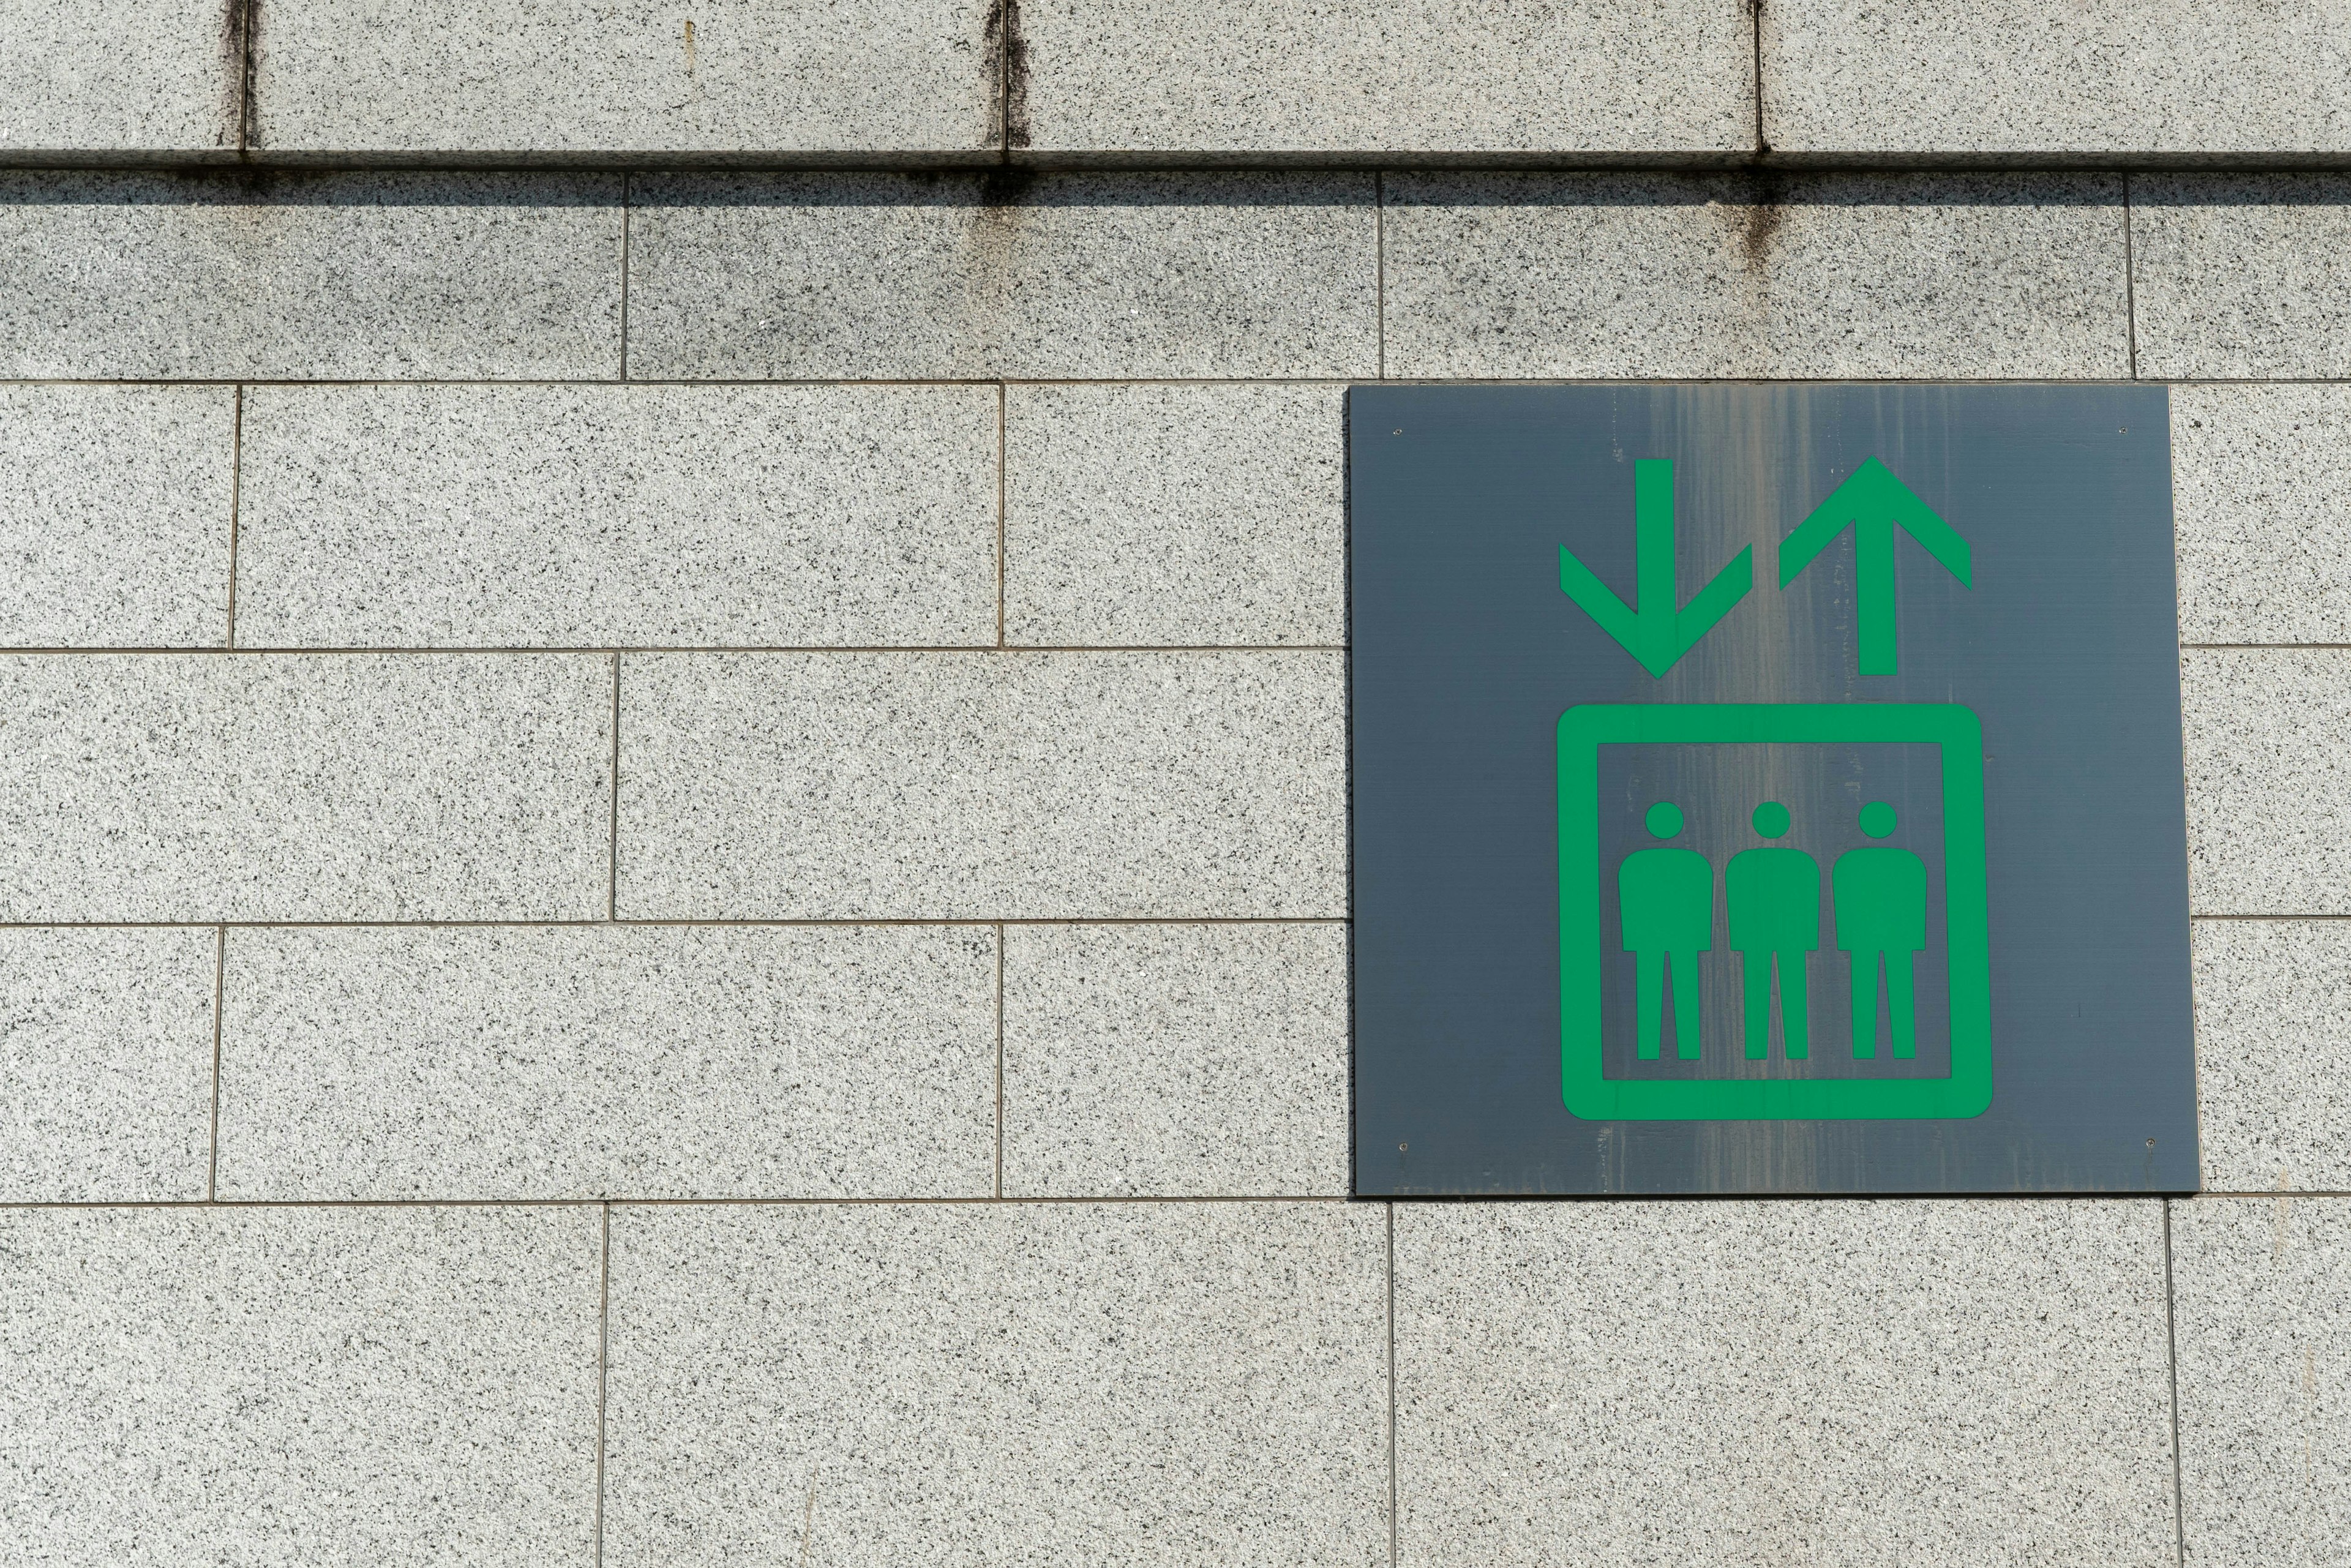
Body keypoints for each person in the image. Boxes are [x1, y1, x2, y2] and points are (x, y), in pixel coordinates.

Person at [1618, 801, 1712, 1060]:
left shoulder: (1634, 864)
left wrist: (1633, 941)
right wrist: (1701, 940)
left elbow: (1631, 906)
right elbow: (1702, 905)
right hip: (1685, 941)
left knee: (1648, 993)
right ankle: (1690, 1050)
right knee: (1686, 994)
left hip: (1649, 941)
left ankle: (1648, 1051)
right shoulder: (1696, 863)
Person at [1834, 801, 1927, 1059]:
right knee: (1901, 994)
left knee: (1863, 993)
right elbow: (1916, 904)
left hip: (1862, 940)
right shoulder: (1910, 863)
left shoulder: (1848, 863)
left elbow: (1844, 905)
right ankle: (1905, 1050)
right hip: (1899, 941)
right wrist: (1915, 940)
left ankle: (1864, 1051)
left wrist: (1846, 941)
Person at [1728, 801, 1819, 1059]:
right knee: (1795, 993)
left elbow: (1737, 906)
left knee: (1755, 994)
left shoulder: (1740, 862)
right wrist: (1808, 940)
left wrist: (1739, 942)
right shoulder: (1804, 862)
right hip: (1793, 941)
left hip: (1755, 941)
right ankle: (1798, 1052)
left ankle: (1755, 1052)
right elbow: (1809, 906)